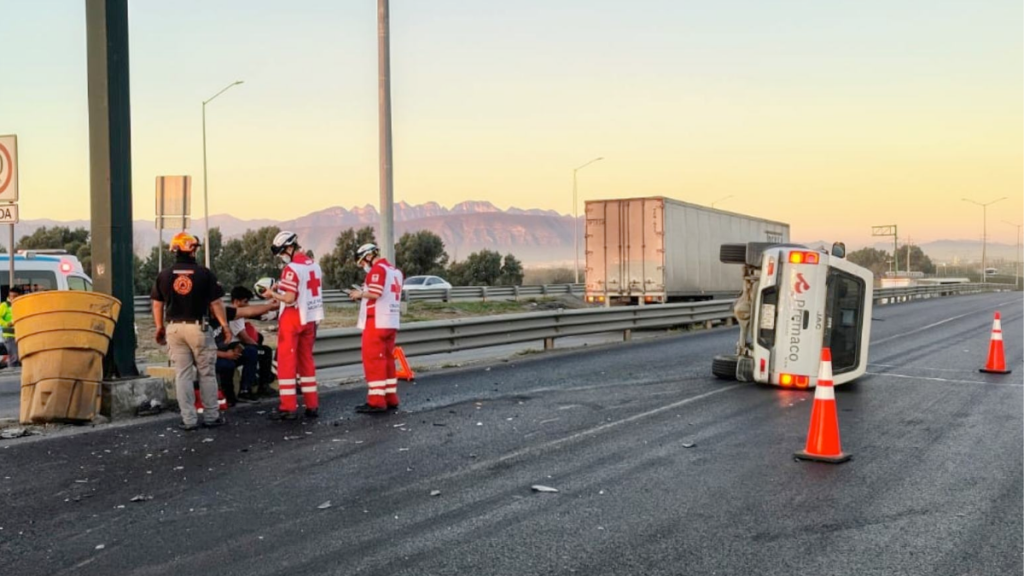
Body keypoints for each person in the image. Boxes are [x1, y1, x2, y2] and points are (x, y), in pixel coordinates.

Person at [151, 232, 232, 431]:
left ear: (175, 249)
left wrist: (160, 327)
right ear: (192, 249)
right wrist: (225, 326)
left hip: (174, 328)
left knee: (183, 375)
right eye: (195, 248)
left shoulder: (164, 275)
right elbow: (216, 303)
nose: (196, 251)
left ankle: (188, 419)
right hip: (198, 327)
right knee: (206, 373)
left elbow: (156, 304)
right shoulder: (205, 274)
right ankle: (211, 416)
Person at [259, 231, 324, 420]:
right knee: (306, 362)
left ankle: (288, 407)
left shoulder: (291, 269)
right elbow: (302, 285)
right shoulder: (315, 266)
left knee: (286, 363)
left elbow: (289, 298)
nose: (281, 256)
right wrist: (281, 286)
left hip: (292, 317)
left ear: (289, 247)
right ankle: (312, 405)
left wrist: (273, 294)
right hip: (310, 318)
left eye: (281, 252)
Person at [347, 242, 404, 414]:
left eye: (363, 262)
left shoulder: (378, 270)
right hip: (391, 320)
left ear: (369, 256)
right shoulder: (396, 271)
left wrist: (359, 294)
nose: (363, 266)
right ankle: (390, 397)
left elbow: (375, 293)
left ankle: (376, 400)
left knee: (373, 360)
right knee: (387, 359)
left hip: (376, 321)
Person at [214, 286, 277, 404]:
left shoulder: (234, 312)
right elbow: (244, 337)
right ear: (237, 301)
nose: (247, 304)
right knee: (262, 351)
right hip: (229, 348)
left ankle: (255, 384)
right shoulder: (231, 315)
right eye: (245, 302)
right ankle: (255, 385)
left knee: (259, 349)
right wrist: (257, 347)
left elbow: (256, 313)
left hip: (235, 346)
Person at [0, 286, 23, 368]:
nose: (13, 298)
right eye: (11, 296)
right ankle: (12, 376)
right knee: (14, 358)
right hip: (9, 335)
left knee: (20, 357)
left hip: (20, 335)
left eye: (15, 296)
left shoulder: (20, 305)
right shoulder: (4, 305)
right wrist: (7, 323)